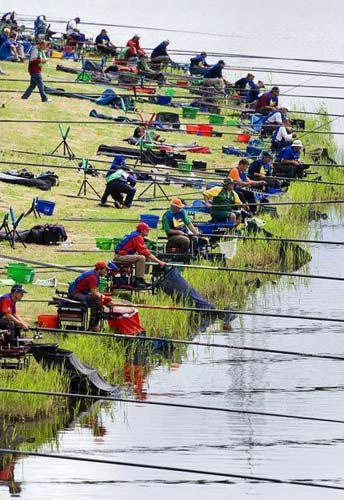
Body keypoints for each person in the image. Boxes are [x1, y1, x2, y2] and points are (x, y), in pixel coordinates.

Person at [113, 223, 166, 289]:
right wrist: (159, 262)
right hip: (119, 257)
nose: (148, 231)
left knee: (145, 257)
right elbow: (145, 251)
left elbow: (144, 252)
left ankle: (141, 278)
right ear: (142, 230)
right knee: (141, 258)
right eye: (147, 230)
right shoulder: (137, 237)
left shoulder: (136, 235)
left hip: (125, 255)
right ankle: (138, 281)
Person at [68, 261, 114, 332]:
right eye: (105, 270)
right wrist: (103, 298)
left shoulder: (94, 275)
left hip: (81, 293)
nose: (106, 272)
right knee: (95, 301)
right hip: (75, 293)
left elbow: (95, 291)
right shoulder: (93, 277)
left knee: (97, 301)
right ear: (99, 269)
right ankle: (93, 326)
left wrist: (102, 297)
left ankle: (94, 325)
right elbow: (94, 294)